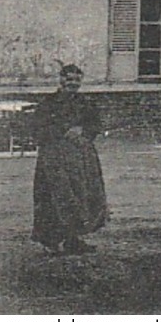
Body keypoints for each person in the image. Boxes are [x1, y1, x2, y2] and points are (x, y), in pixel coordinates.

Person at [32, 64, 108, 255]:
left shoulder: (85, 103)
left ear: (80, 81)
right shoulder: (48, 103)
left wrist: (83, 130)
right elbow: (37, 128)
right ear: (61, 79)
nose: (72, 83)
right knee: (55, 196)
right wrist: (62, 132)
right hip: (54, 158)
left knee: (81, 195)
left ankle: (74, 239)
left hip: (81, 157)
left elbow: (96, 124)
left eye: (76, 80)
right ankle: (51, 241)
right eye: (69, 79)